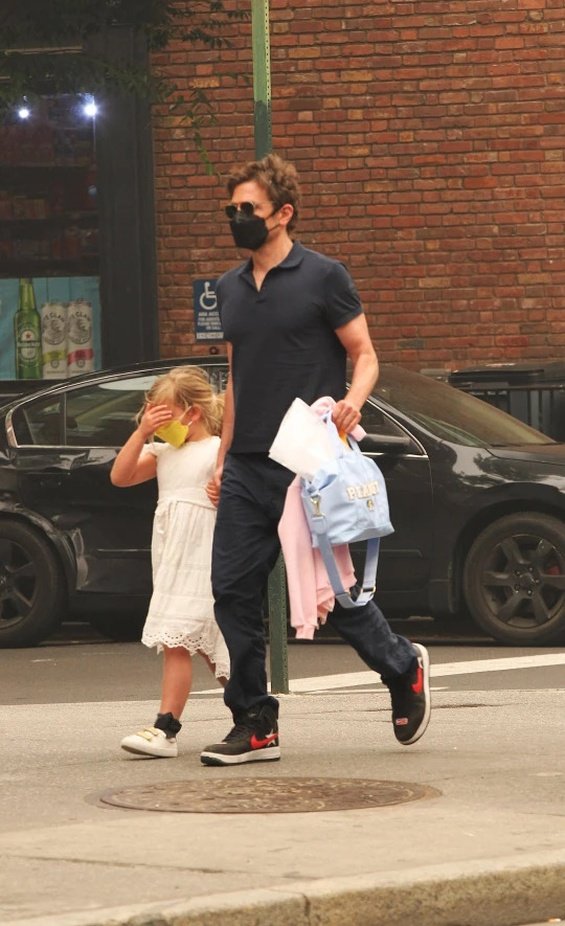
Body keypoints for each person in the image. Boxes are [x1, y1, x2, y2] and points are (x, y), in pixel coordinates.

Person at [200, 153, 431, 767]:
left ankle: (402, 666)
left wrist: (353, 401)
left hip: (308, 463)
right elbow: (236, 377)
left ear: (283, 214)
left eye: (248, 209)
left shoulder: (324, 276)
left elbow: (366, 353)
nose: (237, 218)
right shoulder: (226, 287)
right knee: (230, 590)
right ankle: (254, 721)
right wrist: (222, 457)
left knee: (338, 594)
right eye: (231, 210)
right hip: (248, 464)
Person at [110, 366, 229, 758]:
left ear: (191, 413)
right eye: (153, 417)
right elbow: (121, 476)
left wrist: (220, 491)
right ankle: (253, 710)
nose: (159, 426)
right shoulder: (163, 452)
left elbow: (236, 495)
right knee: (203, 643)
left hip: (202, 554)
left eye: (164, 417)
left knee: (187, 640)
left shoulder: (215, 451)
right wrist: (142, 432)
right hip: (172, 557)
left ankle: (166, 729)